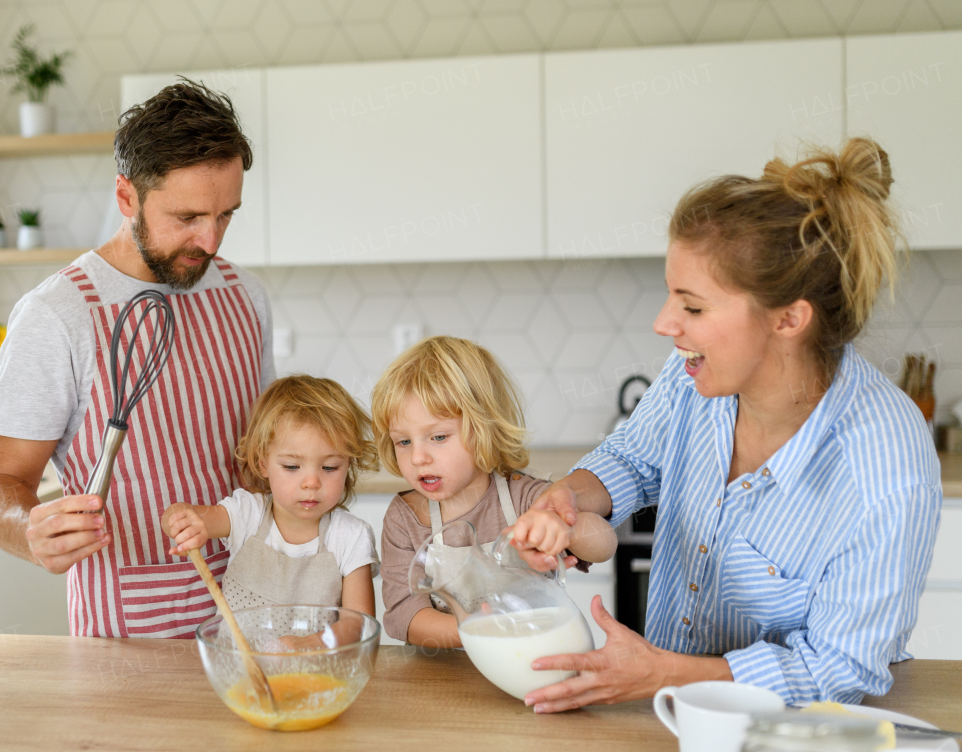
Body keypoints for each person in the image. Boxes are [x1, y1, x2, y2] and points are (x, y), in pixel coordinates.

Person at [513, 138, 942, 710]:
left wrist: (661, 674)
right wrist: (564, 499)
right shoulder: (697, 373)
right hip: (668, 721)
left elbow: (839, 670)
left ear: (789, 318)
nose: (665, 323)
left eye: (692, 307)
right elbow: (634, 460)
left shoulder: (884, 469)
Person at [0, 79, 275, 638]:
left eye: (226, 215)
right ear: (126, 197)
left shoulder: (244, 294)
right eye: (186, 217)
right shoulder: (57, 315)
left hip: (251, 609)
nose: (210, 241)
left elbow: (262, 454)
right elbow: (3, 479)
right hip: (129, 628)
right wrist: (29, 528)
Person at [375, 336, 618, 648]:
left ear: (485, 428)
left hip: (534, 659)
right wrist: (479, 631)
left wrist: (568, 528)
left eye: (437, 437)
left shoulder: (526, 498)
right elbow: (403, 617)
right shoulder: (405, 518)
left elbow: (604, 545)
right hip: (446, 678)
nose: (418, 457)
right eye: (403, 442)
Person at [163, 375, 379, 642]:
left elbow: (359, 625)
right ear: (263, 462)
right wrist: (185, 523)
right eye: (291, 467)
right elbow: (176, 513)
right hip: (241, 674)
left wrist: (306, 646)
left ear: (349, 465)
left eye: (329, 467)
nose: (311, 482)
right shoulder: (247, 515)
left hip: (316, 677)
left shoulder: (351, 536)